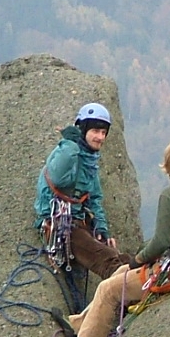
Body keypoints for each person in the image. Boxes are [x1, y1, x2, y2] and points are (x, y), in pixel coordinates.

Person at [56, 138, 170, 337]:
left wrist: (139, 259)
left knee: (108, 289)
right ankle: (78, 324)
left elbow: (161, 242)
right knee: (119, 272)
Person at [34, 102, 130, 279]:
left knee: (117, 256)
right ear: (83, 130)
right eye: (95, 131)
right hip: (60, 224)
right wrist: (71, 144)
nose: (100, 137)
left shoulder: (89, 161)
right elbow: (57, 177)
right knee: (107, 261)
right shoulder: (67, 154)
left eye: (103, 133)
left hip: (78, 221)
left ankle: (133, 276)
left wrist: (101, 228)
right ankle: (127, 289)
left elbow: (95, 198)